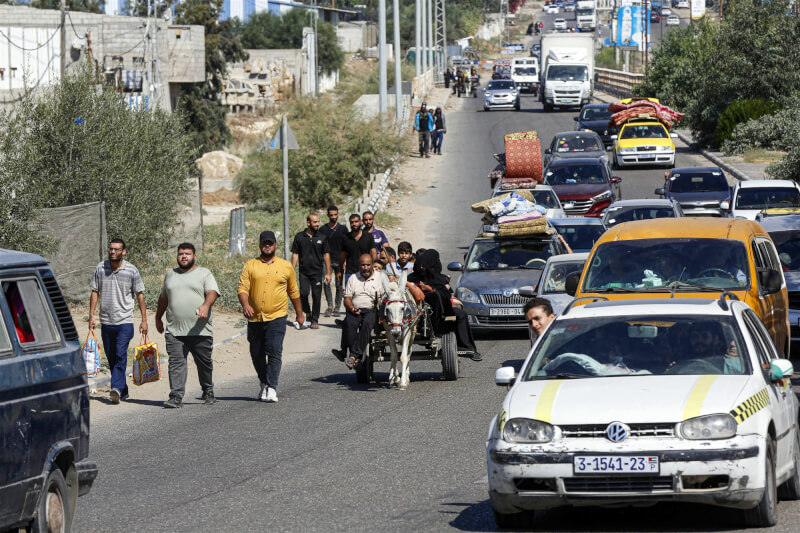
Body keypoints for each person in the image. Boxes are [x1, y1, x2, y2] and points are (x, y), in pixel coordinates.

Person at [238, 231, 304, 403]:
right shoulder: (250, 265)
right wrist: (246, 305)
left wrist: (299, 313)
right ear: (260, 245)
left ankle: (272, 387)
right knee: (257, 353)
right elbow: (242, 288)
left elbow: (293, 291)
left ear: (275, 245)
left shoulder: (285, 266)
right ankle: (264, 381)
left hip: (277, 316)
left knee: (274, 351)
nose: (267, 246)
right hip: (255, 318)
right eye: (264, 243)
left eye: (270, 243)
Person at [155, 242, 220, 408]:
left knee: (204, 363)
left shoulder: (204, 273)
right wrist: (158, 317)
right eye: (181, 254)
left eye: (187, 254)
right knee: (176, 363)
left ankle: (208, 389)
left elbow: (212, 292)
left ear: (194, 256)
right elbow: (164, 298)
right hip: (174, 330)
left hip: (200, 330)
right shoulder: (170, 275)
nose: (184, 256)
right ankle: (176, 396)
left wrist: (206, 305)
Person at [89, 238, 147, 405]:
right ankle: (123, 390)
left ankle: (115, 389)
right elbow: (95, 292)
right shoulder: (100, 268)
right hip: (106, 321)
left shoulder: (132, 271)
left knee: (121, 353)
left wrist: (144, 320)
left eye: (116, 249)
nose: (113, 252)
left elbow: (140, 295)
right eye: (111, 249)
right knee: (112, 357)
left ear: (124, 252)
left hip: (125, 321)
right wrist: (91, 315)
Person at [409, 249, 482, 361]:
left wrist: (430, 289)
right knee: (460, 314)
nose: (421, 268)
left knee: (460, 314)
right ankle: (466, 346)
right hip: (418, 317)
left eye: (424, 265)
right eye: (420, 265)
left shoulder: (437, 279)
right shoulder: (411, 279)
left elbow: (446, 295)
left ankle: (466, 347)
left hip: (432, 316)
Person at [332, 254, 386, 369]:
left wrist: (381, 312)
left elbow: (384, 298)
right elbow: (347, 299)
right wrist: (351, 307)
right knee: (349, 323)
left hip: (372, 310)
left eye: (368, 265)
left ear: (372, 265)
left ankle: (353, 356)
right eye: (363, 265)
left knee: (367, 324)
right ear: (359, 266)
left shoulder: (380, 277)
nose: (366, 268)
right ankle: (356, 357)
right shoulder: (353, 278)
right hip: (355, 309)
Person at [291, 212, 332, 330]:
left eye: (318, 221)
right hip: (303, 272)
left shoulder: (322, 237)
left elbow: (326, 255)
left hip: (317, 272)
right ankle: (307, 312)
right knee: (303, 294)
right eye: (315, 222)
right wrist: (292, 270)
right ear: (308, 223)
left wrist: (328, 273)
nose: (318, 224)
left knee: (316, 295)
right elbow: (295, 254)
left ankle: (314, 320)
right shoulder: (299, 237)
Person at [319, 205, 348, 317]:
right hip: (326, 261)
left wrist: (345, 260)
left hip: (340, 260)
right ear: (328, 215)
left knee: (339, 284)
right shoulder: (322, 230)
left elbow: (346, 245)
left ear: (338, 214)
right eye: (331, 215)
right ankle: (330, 306)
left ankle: (337, 307)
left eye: (335, 215)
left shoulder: (343, 229)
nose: (333, 217)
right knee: (326, 282)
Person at [339, 214, 377, 288]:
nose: (354, 224)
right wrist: (339, 270)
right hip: (350, 272)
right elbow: (342, 255)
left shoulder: (368, 236)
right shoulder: (345, 238)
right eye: (352, 222)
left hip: (365, 271)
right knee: (349, 295)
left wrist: (373, 266)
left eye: (356, 221)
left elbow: (374, 252)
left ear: (360, 222)